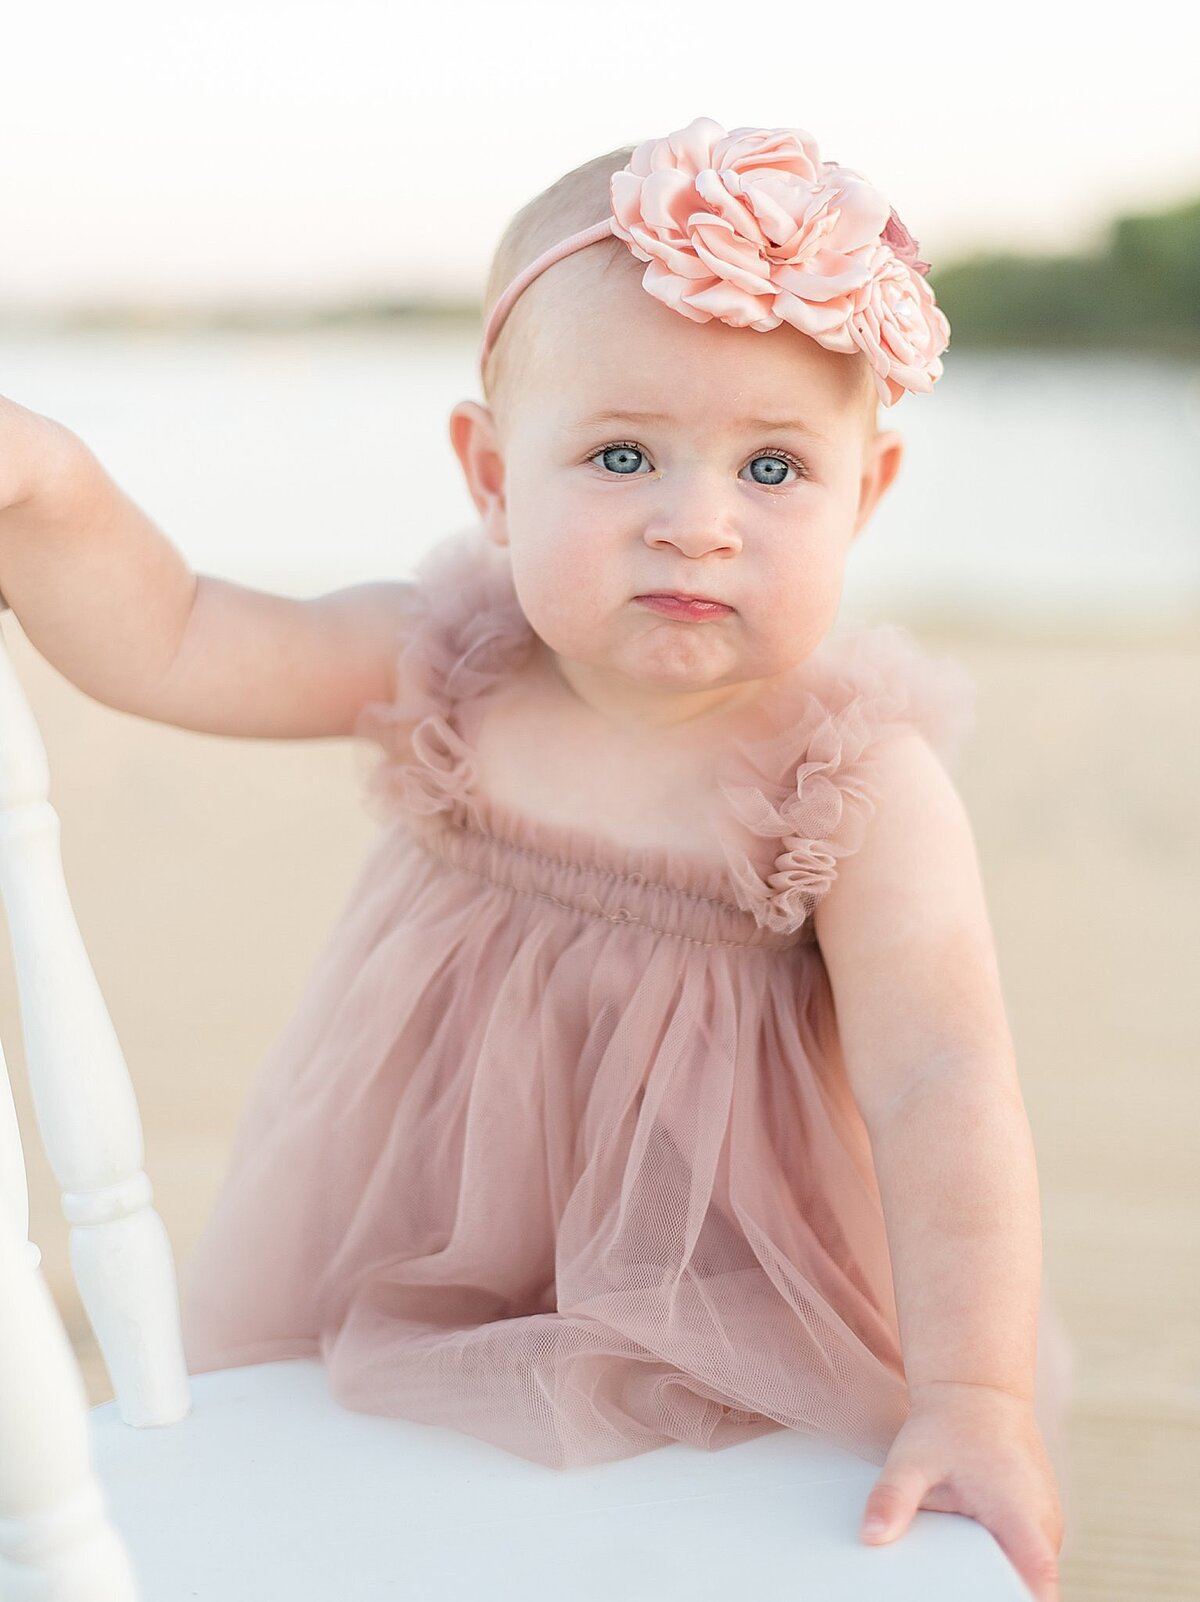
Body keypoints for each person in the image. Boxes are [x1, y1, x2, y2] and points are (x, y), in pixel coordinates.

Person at [0, 116, 1073, 1601]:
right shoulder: (450, 665)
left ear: (867, 494)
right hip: (403, 1248)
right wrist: (52, 487)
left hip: (728, 1303)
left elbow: (940, 1078)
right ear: (493, 474)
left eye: (773, 468)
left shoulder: (853, 782)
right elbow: (179, 636)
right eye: (623, 454)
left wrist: (979, 1394)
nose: (697, 525)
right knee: (367, 1509)